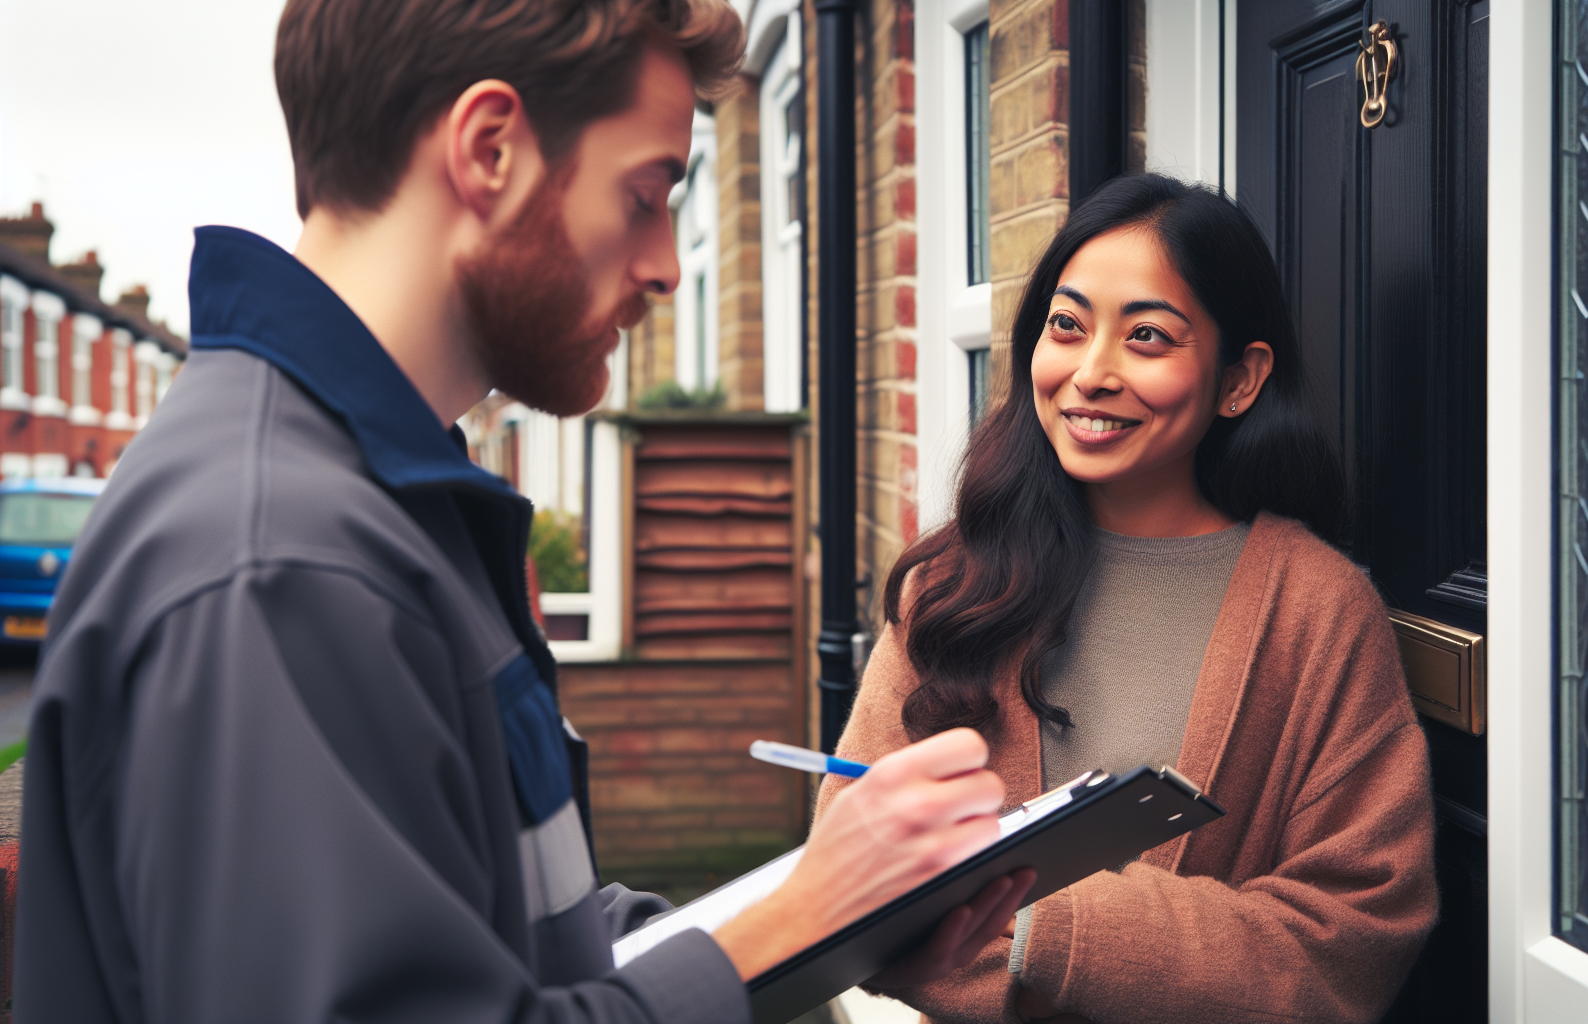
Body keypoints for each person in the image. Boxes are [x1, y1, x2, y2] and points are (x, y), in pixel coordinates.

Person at [15, 2, 1034, 1021]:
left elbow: (509, 934)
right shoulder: (282, 564)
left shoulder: (373, 498)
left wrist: (827, 917)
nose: (667, 266)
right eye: (644, 195)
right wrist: (794, 918)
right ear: (489, 147)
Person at [818, 174, 1439, 1024]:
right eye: (1066, 327)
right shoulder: (953, 584)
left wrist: (1054, 925)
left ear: (1240, 380)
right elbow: (855, 883)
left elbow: (1355, 936)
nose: (1091, 373)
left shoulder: (1318, 611)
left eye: (1147, 338)